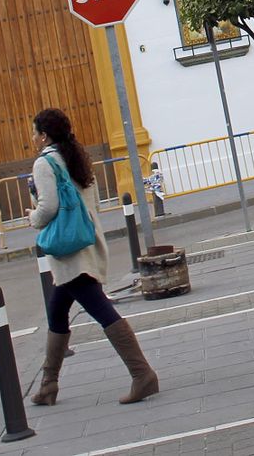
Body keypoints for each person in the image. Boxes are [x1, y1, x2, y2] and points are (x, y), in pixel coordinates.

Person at [28, 107, 158, 406]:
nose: (33, 137)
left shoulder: (45, 164)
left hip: (70, 250)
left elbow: (48, 208)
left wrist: (33, 218)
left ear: (44, 135)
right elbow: (92, 201)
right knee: (58, 311)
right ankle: (49, 385)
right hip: (86, 241)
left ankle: (143, 374)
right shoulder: (76, 157)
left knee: (101, 310)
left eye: (35, 132)